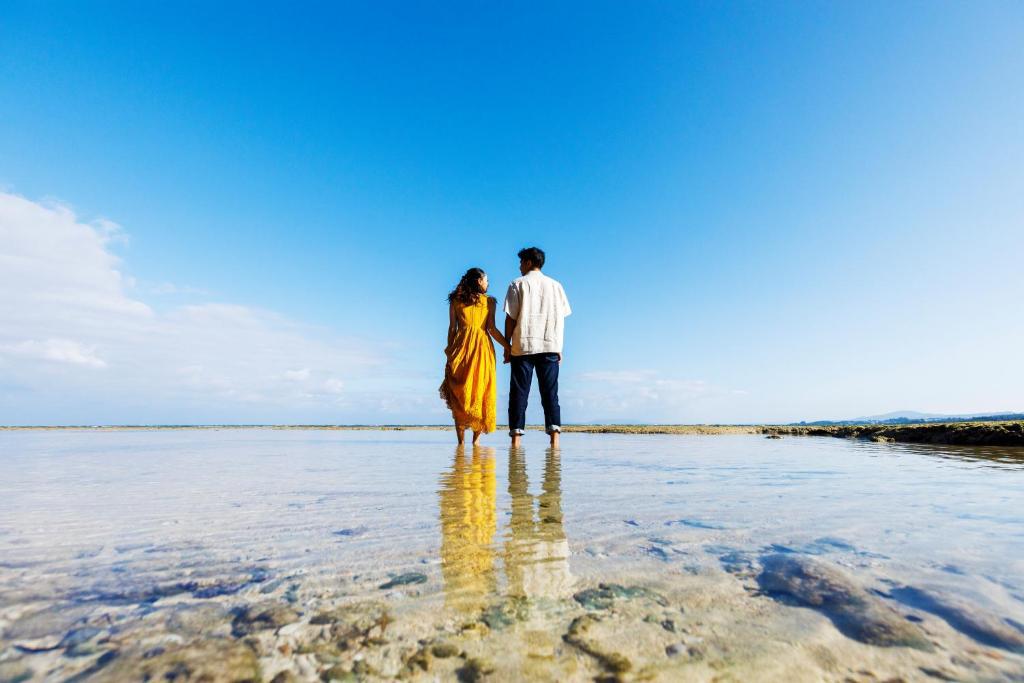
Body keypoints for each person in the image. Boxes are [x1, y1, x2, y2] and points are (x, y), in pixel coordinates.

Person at [503, 247, 572, 448]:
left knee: (519, 394)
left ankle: (516, 441)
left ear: (528, 262)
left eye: (521, 262)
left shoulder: (517, 284)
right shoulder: (556, 285)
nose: (519, 266)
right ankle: (555, 440)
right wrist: (559, 346)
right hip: (550, 344)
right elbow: (560, 318)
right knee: (550, 393)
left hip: (523, 345)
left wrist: (507, 345)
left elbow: (510, 318)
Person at [439, 268, 511, 445]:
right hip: (482, 349)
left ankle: (461, 443)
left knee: (461, 393)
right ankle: (475, 443)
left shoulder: (456, 300)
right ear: (479, 281)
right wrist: (508, 346)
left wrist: (450, 350)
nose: (488, 283)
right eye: (486, 280)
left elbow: (452, 329)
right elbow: (491, 329)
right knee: (480, 389)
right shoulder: (489, 302)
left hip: (461, 348)